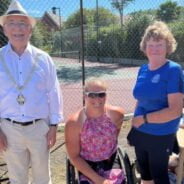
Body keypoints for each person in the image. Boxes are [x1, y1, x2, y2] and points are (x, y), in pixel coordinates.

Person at [0, 0, 63, 183]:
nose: (17, 28)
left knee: (42, 177)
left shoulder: (43, 59)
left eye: (22, 24)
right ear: (4, 30)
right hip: (9, 129)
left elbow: (53, 92)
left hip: (39, 129)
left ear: (30, 30)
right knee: (16, 177)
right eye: (11, 23)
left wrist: (53, 126)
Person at [127, 21, 184, 184]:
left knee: (159, 176)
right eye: (150, 45)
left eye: (159, 45)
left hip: (161, 133)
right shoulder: (143, 69)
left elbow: (174, 111)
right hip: (140, 129)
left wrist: (143, 119)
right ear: (145, 47)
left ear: (168, 47)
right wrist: (135, 123)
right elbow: (140, 98)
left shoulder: (173, 70)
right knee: (145, 173)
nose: (154, 49)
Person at [65, 78, 124, 184]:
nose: (97, 99)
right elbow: (74, 156)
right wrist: (98, 179)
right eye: (92, 95)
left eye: (101, 94)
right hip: (86, 164)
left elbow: (115, 135)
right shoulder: (74, 123)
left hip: (110, 160)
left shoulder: (117, 114)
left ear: (106, 95)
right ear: (84, 96)